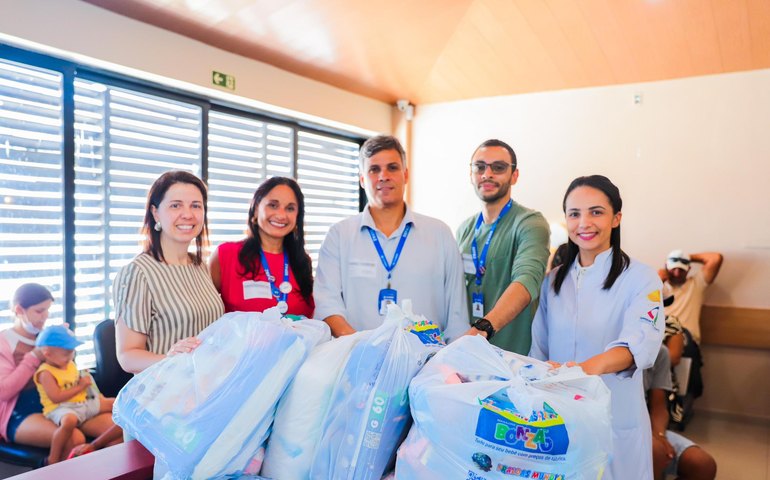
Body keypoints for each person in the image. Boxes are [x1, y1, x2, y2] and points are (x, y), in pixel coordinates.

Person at [529, 175, 664, 480]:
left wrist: (579, 371)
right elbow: (539, 349)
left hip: (615, 416)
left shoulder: (641, 279)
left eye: (596, 212)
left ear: (616, 218)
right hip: (559, 415)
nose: (584, 223)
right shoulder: (553, 281)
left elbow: (636, 347)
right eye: (574, 214)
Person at [314, 135, 467, 339]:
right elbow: (327, 304)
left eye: (392, 168)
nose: (383, 176)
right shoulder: (339, 235)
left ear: (405, 174)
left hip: (429, 357)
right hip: (357, 355)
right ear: (362, 179)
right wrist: (362, 347)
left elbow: (457, 316)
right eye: (374, 169)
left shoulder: (440, 234)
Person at [113, 170, 225, 374]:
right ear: (155, 213)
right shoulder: (138, 273)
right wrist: (171, 360)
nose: (188, 214)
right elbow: (127, 356)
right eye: (175, 205)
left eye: (196, 206)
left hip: (205, 383)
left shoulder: (199, 266)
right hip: (164, 387)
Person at [456, 139, 550, 355]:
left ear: (514, 176)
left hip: (514, 359)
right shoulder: (464, 230)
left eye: (498, 167)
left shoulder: (530, 224)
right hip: (469, 354)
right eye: (480, 167)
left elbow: (527, 279)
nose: (487, 174)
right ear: (471, 174)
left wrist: (483, 328)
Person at [1, 284, 84, 464]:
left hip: (57, 403)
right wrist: (34, 357)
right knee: (74, 439)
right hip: (19, 411)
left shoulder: (48, 336)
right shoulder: (5, 342)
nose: (45, 316)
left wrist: (66, 349)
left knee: (111, 425)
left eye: (47, 310)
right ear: (19, 310)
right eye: (39, 311)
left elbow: (67, 373)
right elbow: (4, 392)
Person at [209, 177, 314, 317]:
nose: (281, 215)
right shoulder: (226, 255)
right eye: (273, 205)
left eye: (290, 208)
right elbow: (203, 311)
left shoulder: (302, 262)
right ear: (256, 209)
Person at [33, 325, 120, 464]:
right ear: (48, 354)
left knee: (115, 403)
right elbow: (56, 397)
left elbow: (77, 383)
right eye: (66, 353)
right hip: (61, 407)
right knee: (69, 421)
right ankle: (52, 458)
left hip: (82, 403)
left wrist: (87, 384)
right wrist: (80, 386)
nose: (71, 356)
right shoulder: (45, 373)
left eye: (72, 352)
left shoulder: (69, 364)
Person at [645, 345, 717, 480]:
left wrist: (660, 435)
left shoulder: (659, 352)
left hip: (645, 425)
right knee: (655, 453)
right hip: (614, 428)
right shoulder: (609, 353)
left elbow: (659, 407)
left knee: (703, 465)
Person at [659, 250, 723, 345]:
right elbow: (642, 307)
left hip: (687, 339)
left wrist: (687, 257)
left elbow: (715, 259)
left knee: (673, 342)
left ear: (688, 269)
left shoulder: (696, 284)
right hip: (661, 336)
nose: (677, 273)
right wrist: (658, 280)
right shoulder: (658, 287)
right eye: (674, 269)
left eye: (681, 270)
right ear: (666, 267)